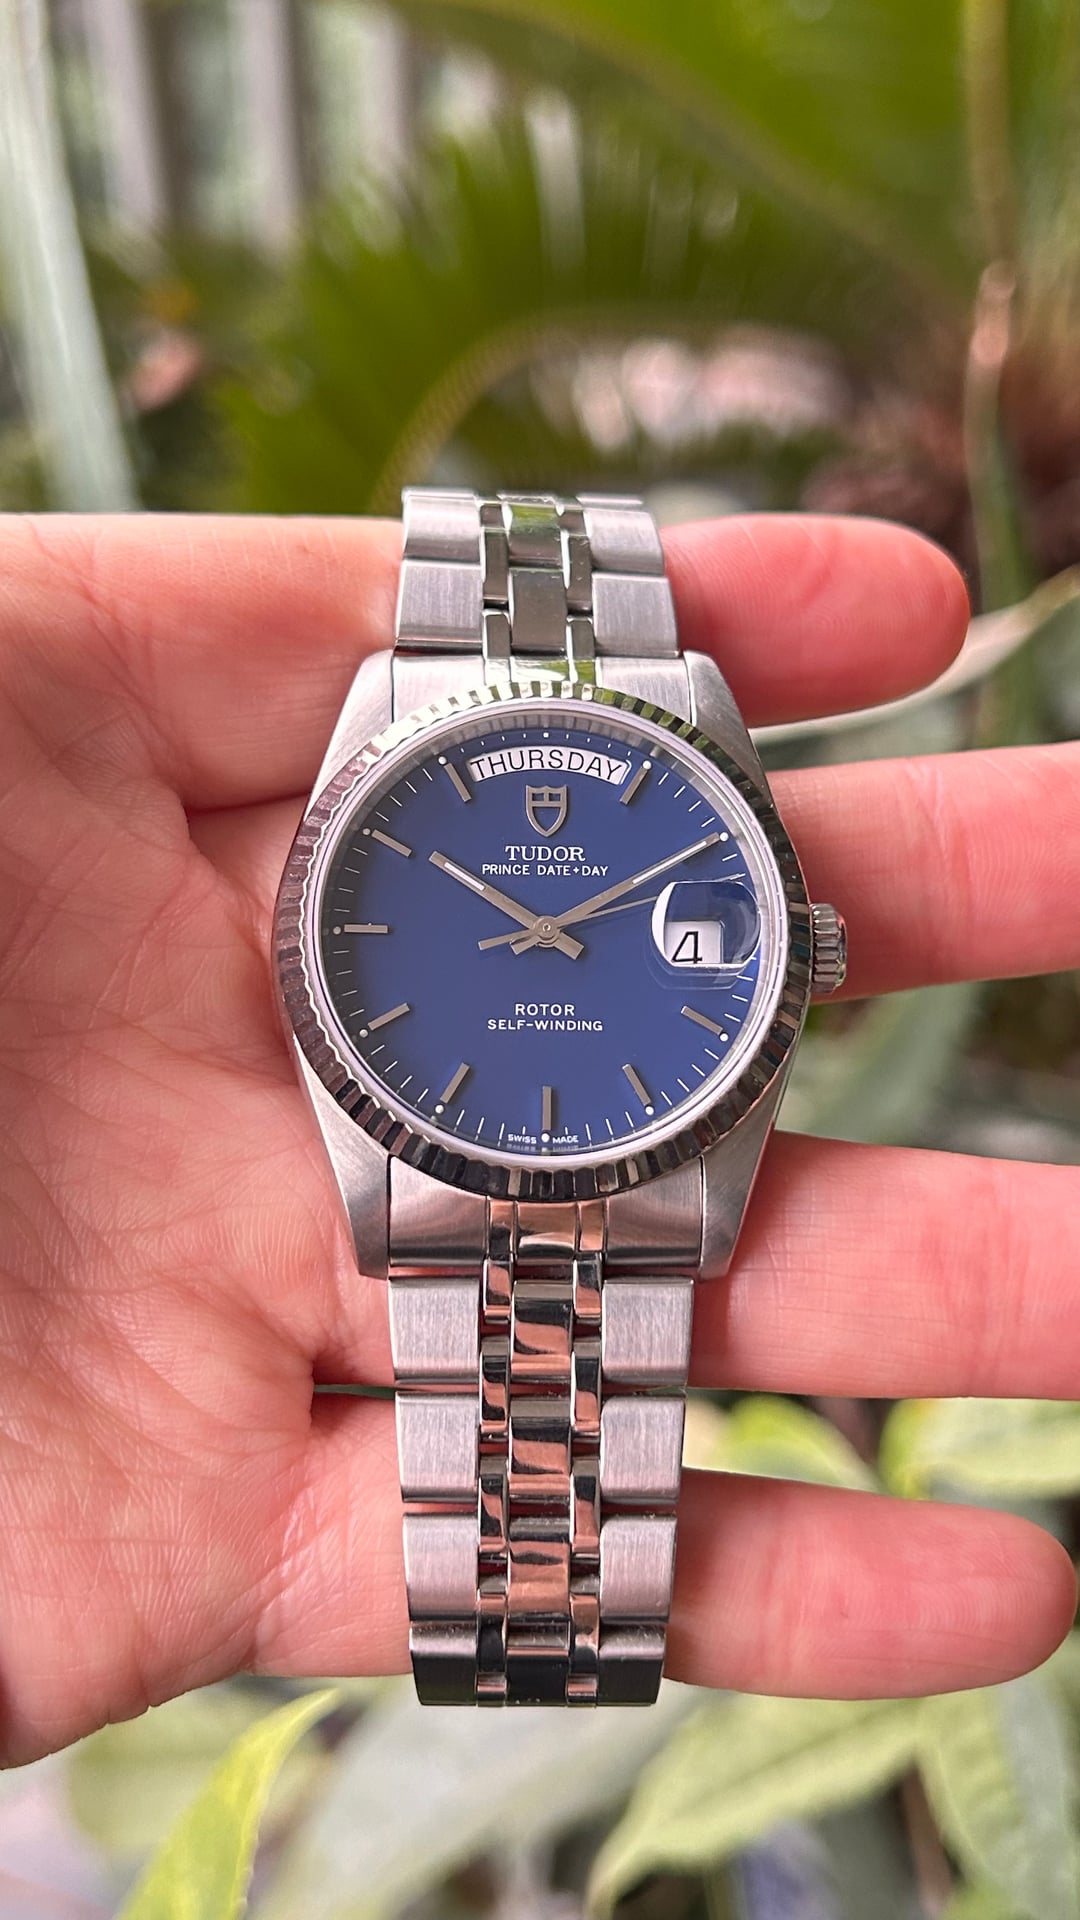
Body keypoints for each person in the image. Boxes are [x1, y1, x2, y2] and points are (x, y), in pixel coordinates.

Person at [0, 509, 1075, 1767]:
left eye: (564, 935)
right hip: (471, 1152)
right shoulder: (413, 739)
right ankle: (536, 1631)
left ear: (807, 953)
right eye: (535, 934)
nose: (552, 945)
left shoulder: (644, 729)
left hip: (590, 1148)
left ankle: (543, 1631)